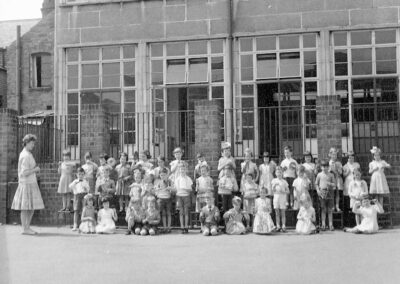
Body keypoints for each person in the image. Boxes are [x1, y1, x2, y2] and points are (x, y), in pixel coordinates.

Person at [11, 134, 44, 235]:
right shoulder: (25, 155)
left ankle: (27, 228)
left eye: (33, 143)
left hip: (30, 183)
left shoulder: (27, 154)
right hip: (26, 184)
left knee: (30, 208)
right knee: (25, 208)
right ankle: (25, 229)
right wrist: (35, 169)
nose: (33, 145)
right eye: (32, 143)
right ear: (26, 143)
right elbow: (24, 173)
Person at [315, 160, 336, 231]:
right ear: (321, 167)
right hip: (322, 192)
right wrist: (318, 190)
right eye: (323, 167)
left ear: (328, 167)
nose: (325, 168)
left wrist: (330, 184)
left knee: (330, 210)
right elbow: (316, 184)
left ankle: (330, 224)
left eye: (326, 167)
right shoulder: (319, 175)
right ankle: (323, 224)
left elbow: (334, 185)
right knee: (323, 209)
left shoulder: (331, 175)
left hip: (330, 192)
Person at [174, 163, 193, 234]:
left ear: (186, 170)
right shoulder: (177, 179)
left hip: (186, 196)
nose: (182, 171)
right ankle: (182, 226)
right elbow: (176, 189)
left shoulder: (188, 179)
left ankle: (186, 226)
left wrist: (186, 189)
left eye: (183, 169)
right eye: (181, 169)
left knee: (186, 212)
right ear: (179, 170)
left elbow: (190, 189)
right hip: (179, 196)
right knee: (181, 212)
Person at [155, 168, 173, 233]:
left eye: (164, 175)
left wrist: (170, 188)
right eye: (161, 175)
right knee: (163, 213)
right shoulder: (158, 182)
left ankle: (169, 227)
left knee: (168, 213)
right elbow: (156, 190)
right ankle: (164, 227)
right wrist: (157, 189)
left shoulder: (170, 181)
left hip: (168, 198)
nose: (162, 176)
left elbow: (173, 189)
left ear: (167, 175)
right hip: (161, 198)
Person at [271, 166, 289, 232]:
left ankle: (283, 225)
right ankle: (278, 225)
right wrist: (274, 186)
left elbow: (288, 191)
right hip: (276, 198)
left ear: (282, 173)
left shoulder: (284, 181)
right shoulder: (273, 180)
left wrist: (283, 191)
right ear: (275, 173)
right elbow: (272, 190)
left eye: (280, 172)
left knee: (283, 212)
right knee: (277, 213)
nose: (279, 173)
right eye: (278, 172)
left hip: (282, 198)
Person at [328, 147, 344, 212]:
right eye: (333, 154)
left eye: (335, 155)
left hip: (337, 179)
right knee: (332, 193)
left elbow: (341, 172)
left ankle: (337, 206)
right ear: (330, 155)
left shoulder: (339, 163)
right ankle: (332, 206)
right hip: (331, 180)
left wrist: (338, 169)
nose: (334, 156)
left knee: (337, 193)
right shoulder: (329, 163)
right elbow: (327, 172)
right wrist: (330, 170)